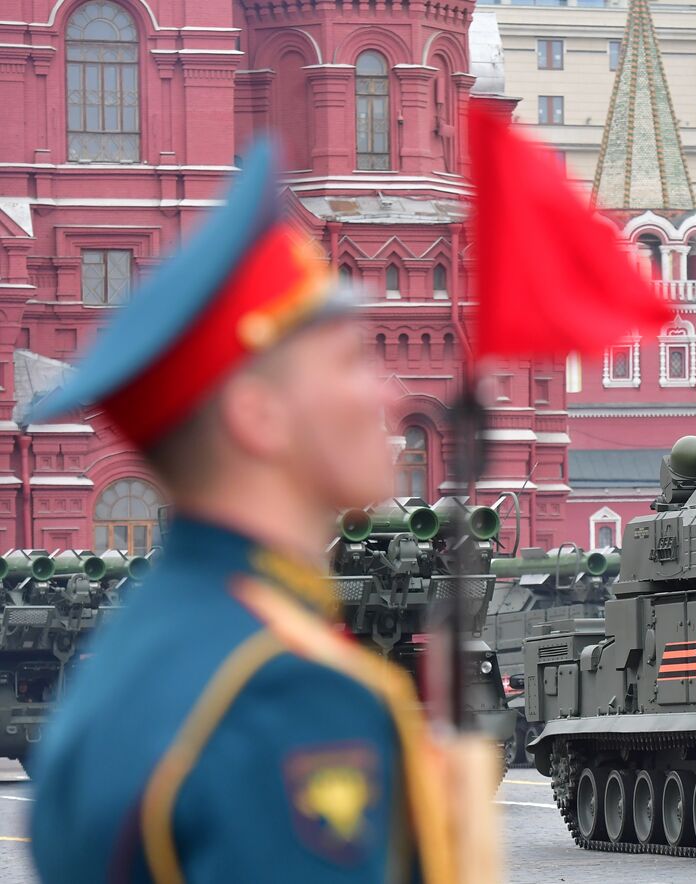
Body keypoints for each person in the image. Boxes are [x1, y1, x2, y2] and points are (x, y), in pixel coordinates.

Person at [25, 141, 455, 883]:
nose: (387, 399)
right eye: (352, 362)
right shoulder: (287, 691)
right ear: (259, 416)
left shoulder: (138, 659)